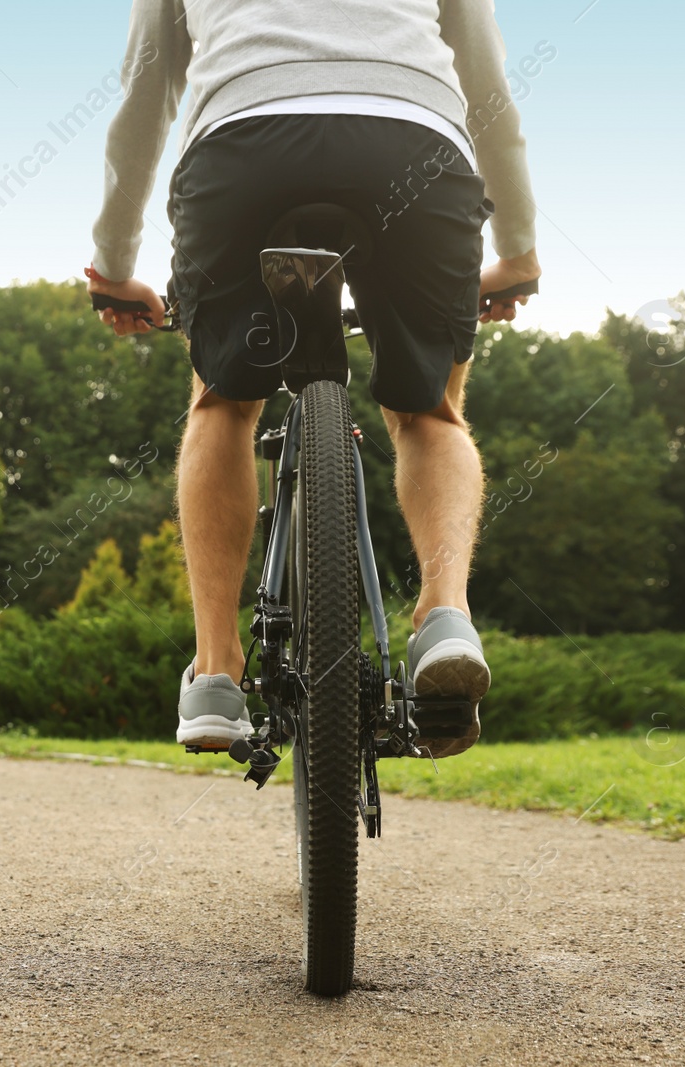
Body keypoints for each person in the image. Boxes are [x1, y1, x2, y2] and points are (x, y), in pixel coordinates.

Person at [86, 0, 541, 757]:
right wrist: (519, 248)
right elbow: (486, 82)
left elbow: (144, 94)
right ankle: (446, 618)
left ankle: (216, 670)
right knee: (431, 413)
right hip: (413, 144)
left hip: (242, 146)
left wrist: (115, 264)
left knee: (223, 402)